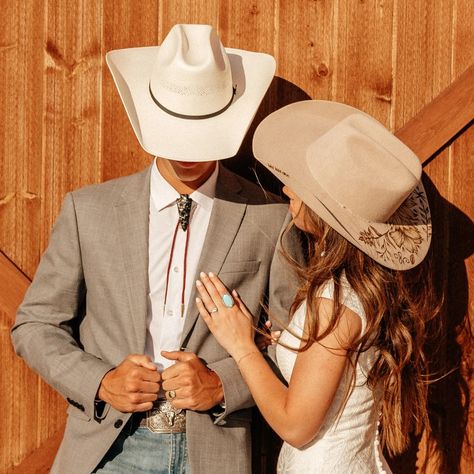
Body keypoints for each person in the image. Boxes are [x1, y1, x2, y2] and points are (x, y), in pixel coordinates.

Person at [11, 24, 299, 474]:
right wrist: (102, 381)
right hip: (108, 450)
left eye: (202, 134)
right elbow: (34, 326)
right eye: (176, 132)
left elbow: (296, 347)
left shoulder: (270, 217)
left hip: (215, 454)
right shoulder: (88, 210)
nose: (188, 153)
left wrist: (224, 385)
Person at [194, 100, 441, 473]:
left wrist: (241, 345)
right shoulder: (356, 289)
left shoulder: (335, 303)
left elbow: (296, 426)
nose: (288, 188)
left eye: (303, 185)